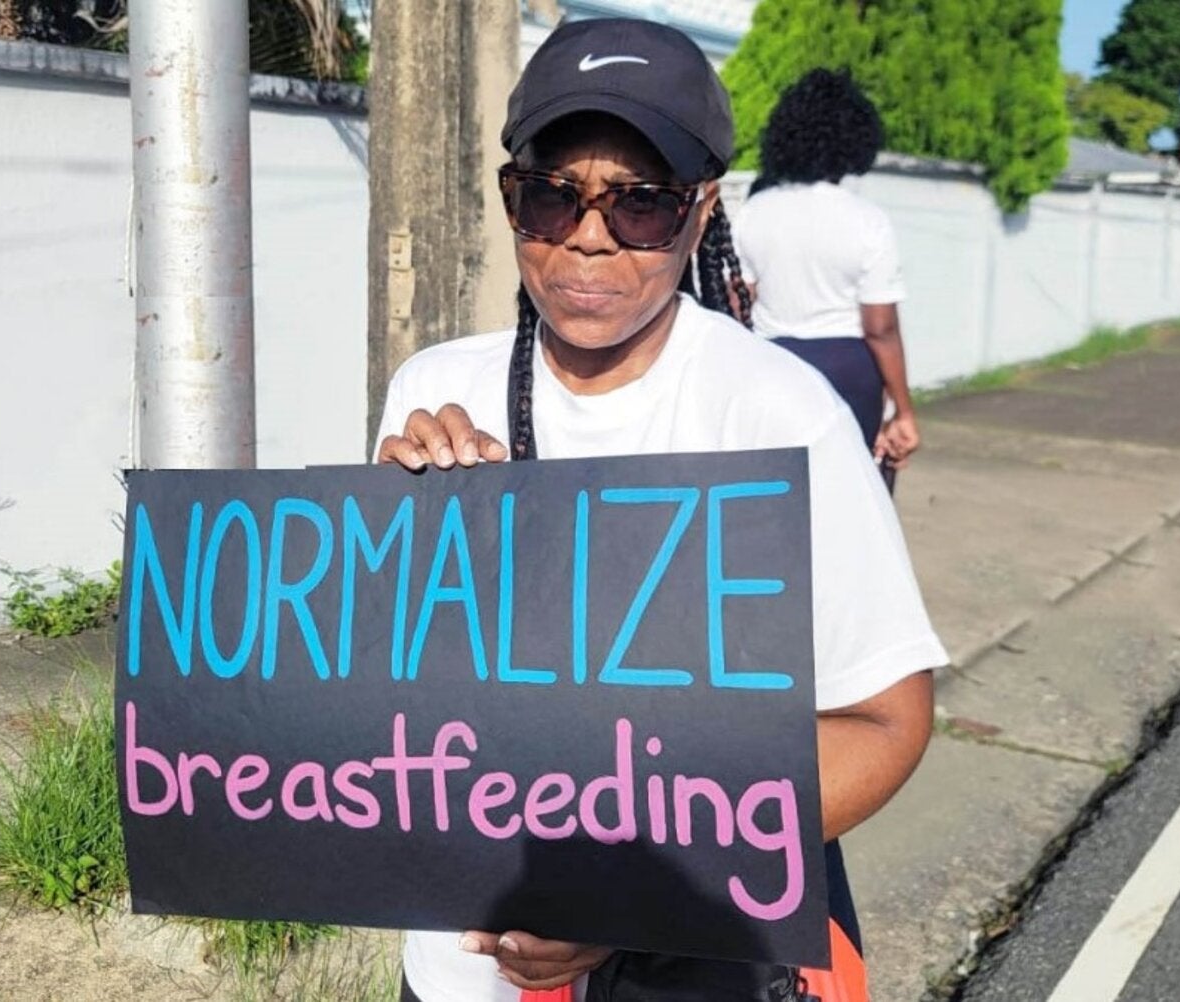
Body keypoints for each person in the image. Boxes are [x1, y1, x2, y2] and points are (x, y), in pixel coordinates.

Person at [375, 18, 946, 1002]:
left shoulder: (778, 413)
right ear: (511, 197)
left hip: (687, 966)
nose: (588, 237)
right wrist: (388, 538)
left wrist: (625, 892)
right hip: (453, 971)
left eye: (639, 204)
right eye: (551, 196)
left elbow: (883, 721)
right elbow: (379, 686)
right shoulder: (435, 386)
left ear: (700, 211)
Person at [732, 68, 920, 483]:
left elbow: (738, 304)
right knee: (855, 492)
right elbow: (880, 328)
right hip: (847, 371)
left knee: (779, 497)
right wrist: (903, 410)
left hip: (773, 365)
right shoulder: (867, 221)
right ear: (855, 139)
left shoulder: (754, 212)